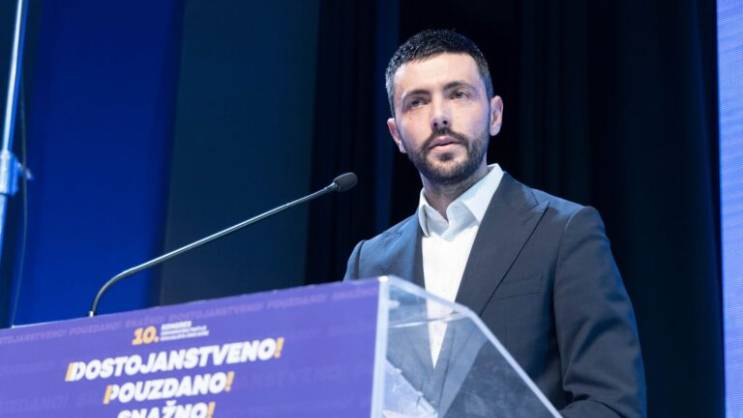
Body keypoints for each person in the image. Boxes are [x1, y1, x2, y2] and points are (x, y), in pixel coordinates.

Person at [344, 29, 646, 417]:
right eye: (417, 102)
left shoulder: (565, 232)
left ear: (495, 114)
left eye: (458, 94)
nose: (439, 116)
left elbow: (611, 405)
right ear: (396, 134)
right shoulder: (368, 264)